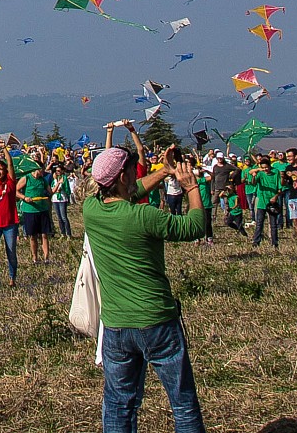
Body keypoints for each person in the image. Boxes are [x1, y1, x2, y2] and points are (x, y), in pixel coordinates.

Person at [82, 123, 212, 433]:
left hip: (116, 325)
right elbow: (194, 227)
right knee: (182, 403)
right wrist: (191, 187)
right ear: (124, 176)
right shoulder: (145, 216)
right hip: (156, 320)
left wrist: (164, 171)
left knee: (119, 405)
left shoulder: (91, 210)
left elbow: (134, 190)